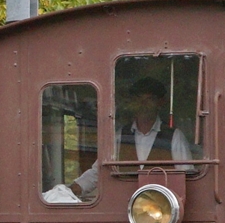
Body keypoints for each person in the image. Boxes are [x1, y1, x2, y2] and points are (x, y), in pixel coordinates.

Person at [66, 77, 194, 199]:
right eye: (139, 99)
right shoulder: (120, 136)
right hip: (122, 207)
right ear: (133, 102)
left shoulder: (174, 136)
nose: (143, 104)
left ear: (160, 103)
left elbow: (187, 175)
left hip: (163, 210)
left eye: (149, 99)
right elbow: (98, 173)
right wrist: (69, 191)